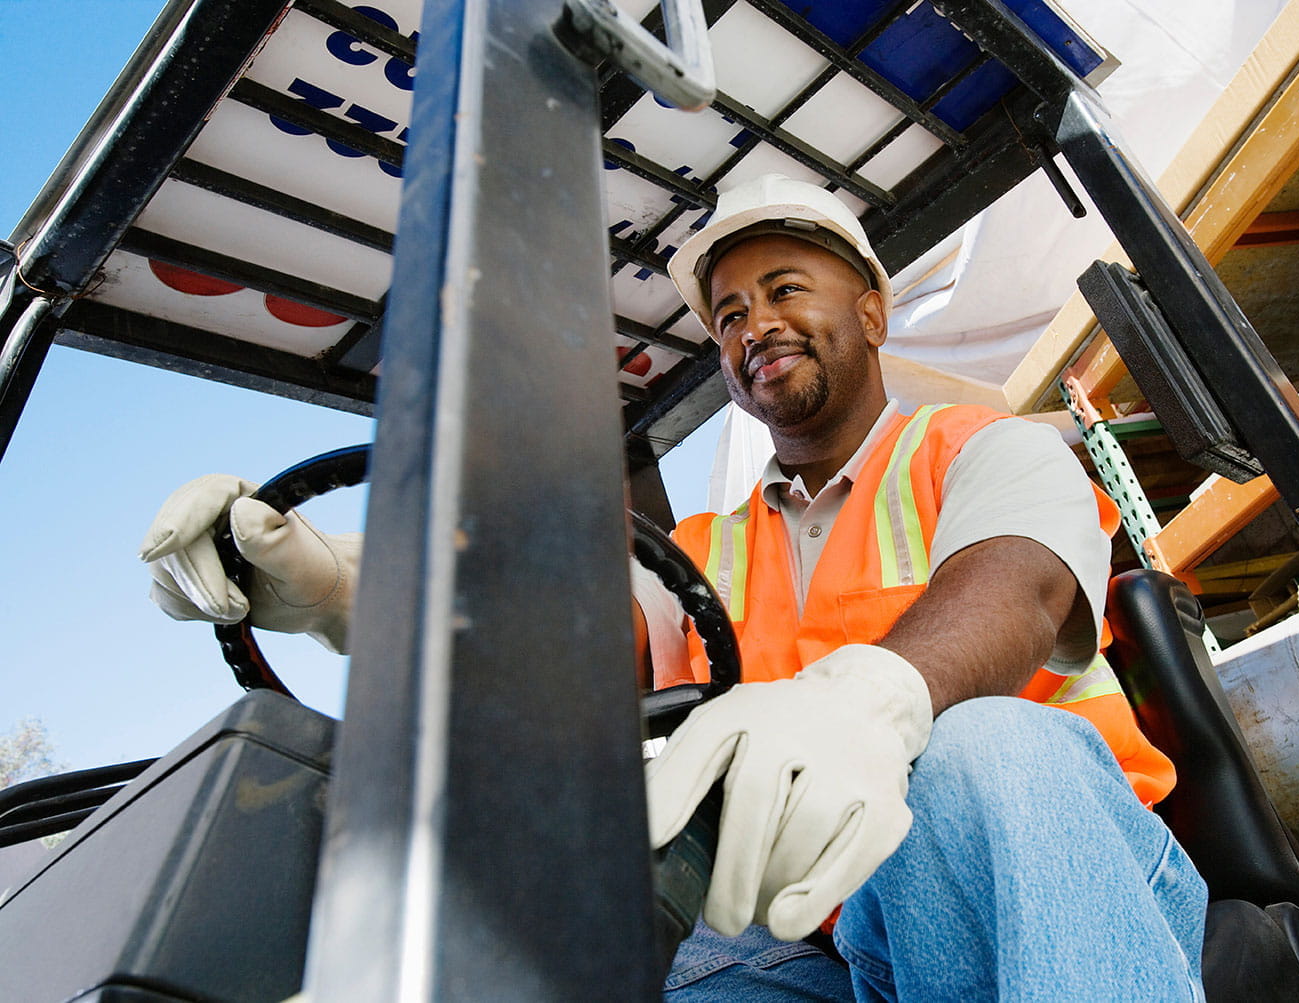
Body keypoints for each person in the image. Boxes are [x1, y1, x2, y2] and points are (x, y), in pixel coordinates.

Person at [141, 174, 1207, 1000]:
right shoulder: (693, 549)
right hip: (812, 936)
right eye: (730, 315)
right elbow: (545, 635)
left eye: (785, 290)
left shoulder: (985, 449)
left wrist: (872, 703)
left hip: (1047, 888)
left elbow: (1015, 587)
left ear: (875, 313)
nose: (754, 326)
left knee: (986, 747)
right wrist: (334, 588)